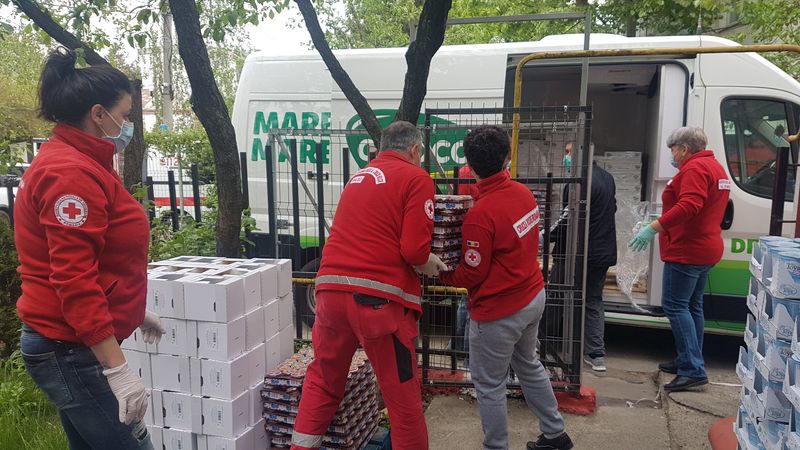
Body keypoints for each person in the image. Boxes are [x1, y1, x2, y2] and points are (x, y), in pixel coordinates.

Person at [14, 47, 164, 449]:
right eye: (125, 114)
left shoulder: (83, 162)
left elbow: (96, 256)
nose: (127, 124)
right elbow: (74, 278)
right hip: (70, 349)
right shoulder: (70, 174)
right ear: (99, 114)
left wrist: (131, 310)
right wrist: (118, 371)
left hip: (71, 342)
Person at [290, 121, 445, 450]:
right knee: (403, 401)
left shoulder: (360, 177)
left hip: (329, 292)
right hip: (378, 302)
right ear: (415, 150)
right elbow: (414, 251)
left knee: (323, 382)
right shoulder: (416, 178)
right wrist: (428, 262)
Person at [440, 125, 573, 450]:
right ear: (506, 158)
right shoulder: (522, 194)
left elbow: (472, 274)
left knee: (489, 384)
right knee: (529, 364)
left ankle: (496, 445)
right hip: (531, 297)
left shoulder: (481, 215)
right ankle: (555, 433)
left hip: (499, 312)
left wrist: (441, 273)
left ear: (469, 166)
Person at [628, 126, 730, 392]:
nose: (672, 155)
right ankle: (688, 359)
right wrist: (661, 219)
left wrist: (654, 227)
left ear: (684, 148)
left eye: (672, 149)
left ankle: (693, 369)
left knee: (675, 306)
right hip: (706, 247)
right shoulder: (715, 167)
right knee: (693, 306)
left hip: (688, 250)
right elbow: (699, 207)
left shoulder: (694, 169)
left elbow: (689, 206)